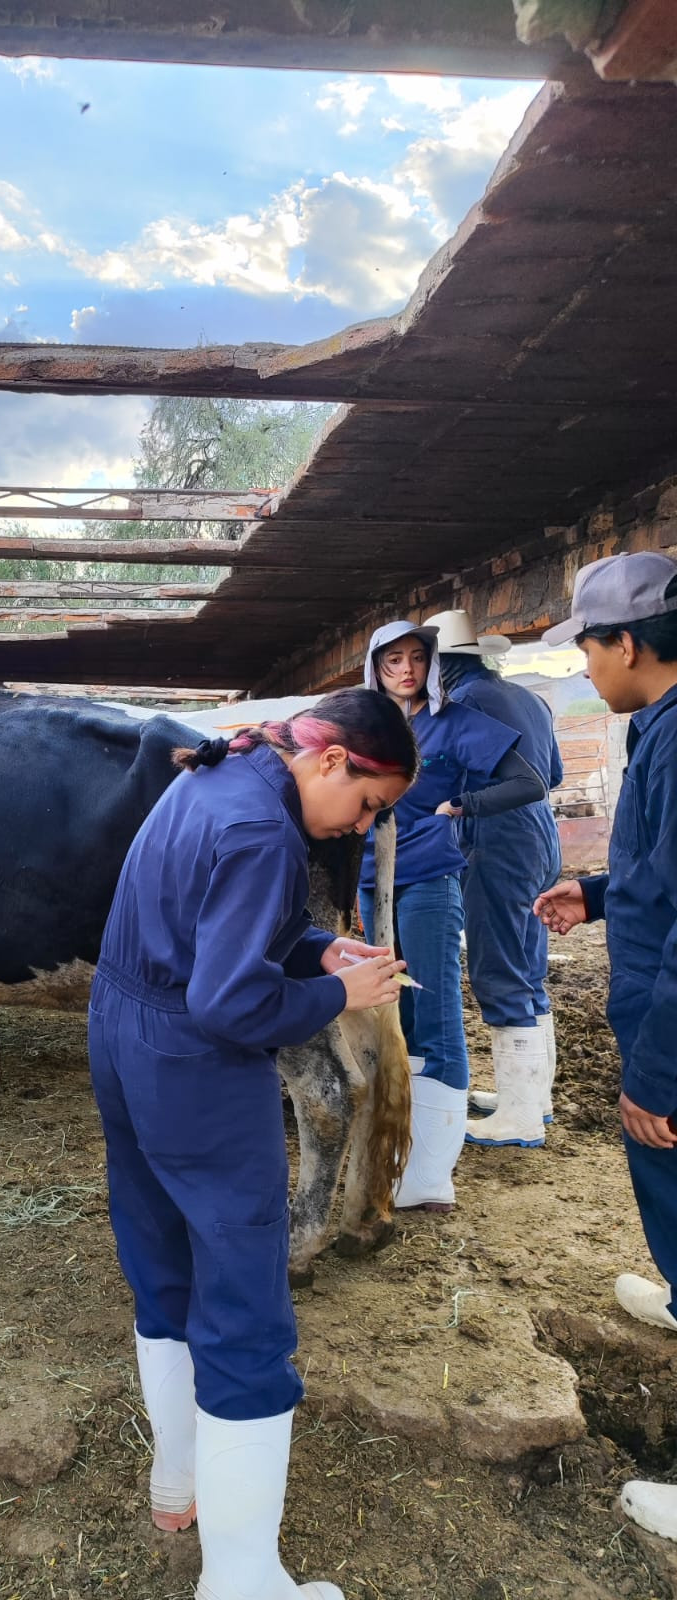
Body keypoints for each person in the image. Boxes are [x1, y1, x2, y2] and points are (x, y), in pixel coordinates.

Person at [88, 689, 417, 1600]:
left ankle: (178, 1481)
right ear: (332, 761)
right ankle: (240, 1580)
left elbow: (216, 928)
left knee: (162, 1263)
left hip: (122, 1032)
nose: (361, 823)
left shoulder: (213, 776)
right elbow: (229, 1003)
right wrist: (338, 1000)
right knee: (244, 1307)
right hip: (192, 1062)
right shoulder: (265, 832)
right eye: (368, 805)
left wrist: (320, 952)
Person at [533, 551, 677, 1541]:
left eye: (587, 646)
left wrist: (661, 1070)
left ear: (626, 641)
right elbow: (665, 877)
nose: (584, 667)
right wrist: (597, 893)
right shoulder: (660, 729)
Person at [359, 621, 547, 1211]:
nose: (406, 670)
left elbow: (531, 781)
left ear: (435, 663)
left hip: (428, 881)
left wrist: (462, 803)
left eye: (418, 658)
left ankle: (433, 1177)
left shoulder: (458, 720)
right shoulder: (361, 722)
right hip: (367, 884)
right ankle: (399, 1147)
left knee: (435, 1008)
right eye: (393, 661)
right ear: (375, 666)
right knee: (390, 1010)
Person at [421, 608, 565, 1149]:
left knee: (498, 967)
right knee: (528, 962)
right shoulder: (530, 697)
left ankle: (520, 1119)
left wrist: (456, 806)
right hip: (540, 834)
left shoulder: (468, 702)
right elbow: (552, 775)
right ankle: (532, 1098)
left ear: (441, 665)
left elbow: (463, 773)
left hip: (498, 839)